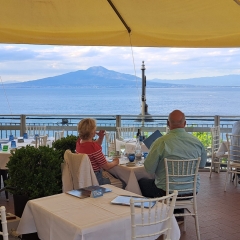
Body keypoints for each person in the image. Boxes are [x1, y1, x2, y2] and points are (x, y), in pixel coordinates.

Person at [139, 109, 207, 198]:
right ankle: (178, 209)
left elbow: (149, 169)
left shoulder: (160, 142)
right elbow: (202, 165)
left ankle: (155, 210)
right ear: (185, 123)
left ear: (168, 123)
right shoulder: (198, 143)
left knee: (141, 182)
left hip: (165, 192)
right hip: (191, 191)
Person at [76, 118, 119, 185]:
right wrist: (115, 162)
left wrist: (101, 137)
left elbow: (93, 147)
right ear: (92, 132)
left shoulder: (79, 143)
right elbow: (106, 166)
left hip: (85, 179)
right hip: (96, 180)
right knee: (122, 182)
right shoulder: (94, 148)